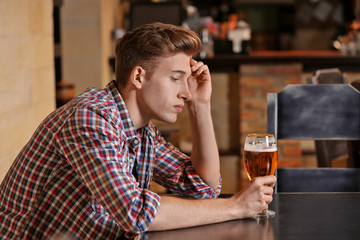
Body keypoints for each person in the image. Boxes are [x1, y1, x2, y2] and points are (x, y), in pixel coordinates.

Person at [0, 22, 276, 239]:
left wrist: (200, 106)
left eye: (187, 80)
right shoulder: (90, 117)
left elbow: (203, 188)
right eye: (176, 78)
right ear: (139, 77)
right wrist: (236, 206)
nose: (186, 92)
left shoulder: (140, 130)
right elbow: (136, 212)